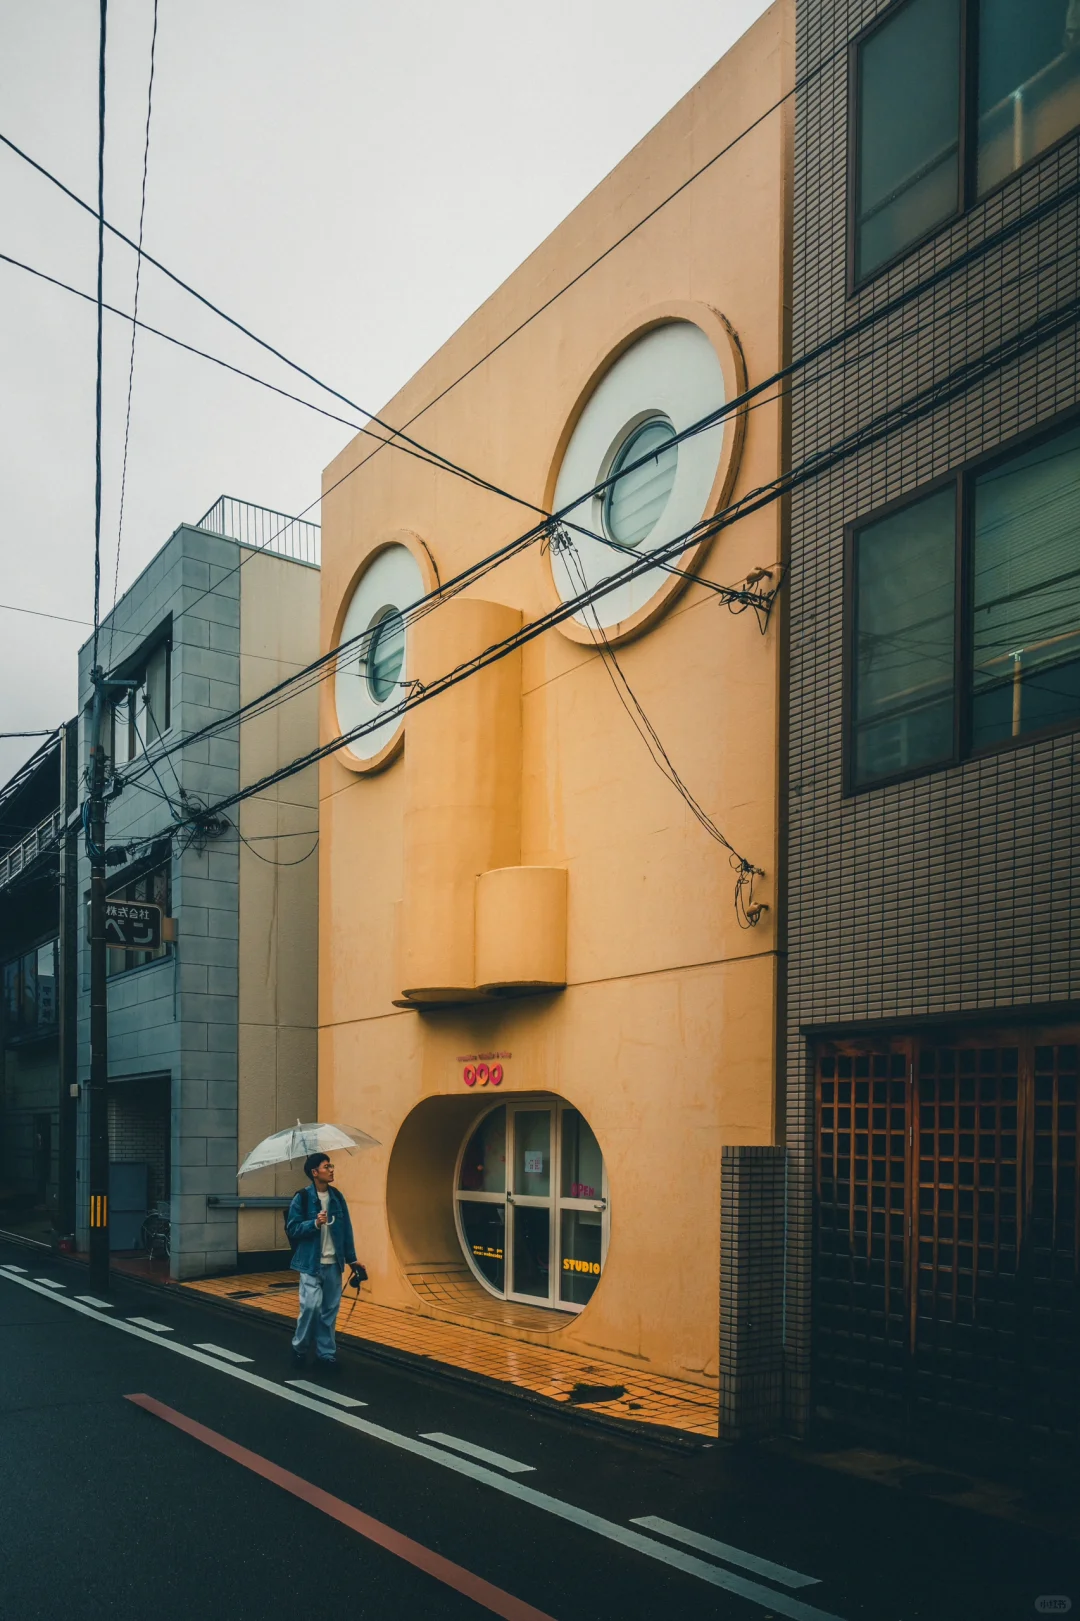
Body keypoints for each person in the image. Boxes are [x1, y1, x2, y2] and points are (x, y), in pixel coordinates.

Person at [286, 1152, 363, 1370]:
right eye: (326, 1166)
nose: (331, 1170)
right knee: (311, 1306)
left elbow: (346, 1230)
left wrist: (353, 1260)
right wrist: (314, 1224)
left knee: (329, 1310)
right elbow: (292, 1228)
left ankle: (326, 1354)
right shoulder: (301, 1198)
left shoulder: (337, 1197)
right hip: (311, 1264)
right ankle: (299, 1347)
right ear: (314, 1172)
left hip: (333, 1264)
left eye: (331, 1166)